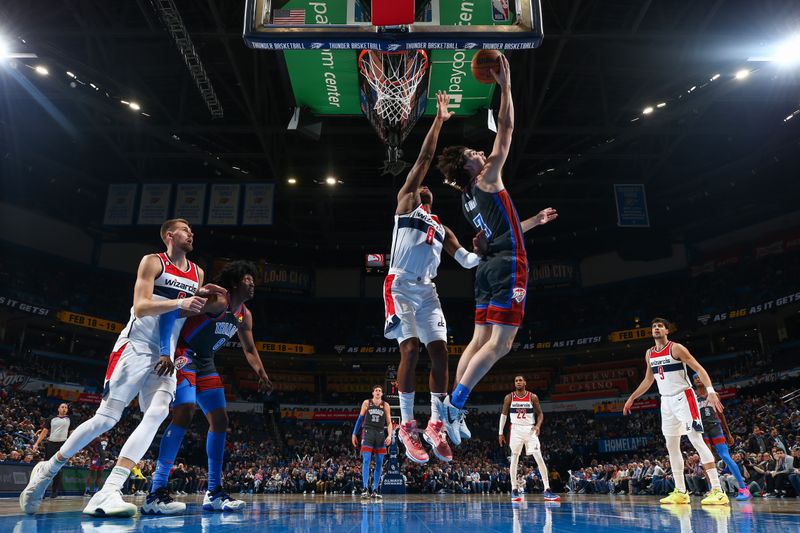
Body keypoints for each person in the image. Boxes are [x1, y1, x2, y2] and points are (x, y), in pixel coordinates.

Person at [20, 218, 223, 516]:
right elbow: (141, 306)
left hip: (164, 354)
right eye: (185, 229)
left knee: (156, 413)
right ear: (170, 235)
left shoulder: (198, 272)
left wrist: (214, 304)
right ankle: (47, 470)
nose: (191, 233)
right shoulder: (153, 262)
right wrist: (180, 303)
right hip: (136, 345)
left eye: (191, 230)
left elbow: (187, 312)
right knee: (106, 418)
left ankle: (110, 490)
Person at [435, 56, 558, 443]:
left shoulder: (467, 198)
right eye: (473, 153)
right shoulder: (487, 178)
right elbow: (506, 129)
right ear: (470, 168)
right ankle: (456, 404)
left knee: (477, 341)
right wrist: (504, 86)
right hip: (507, 267)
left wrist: (532, 223)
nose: (480, 152)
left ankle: (449, 411)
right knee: (501, 345)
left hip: (488, 268)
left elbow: (496, 234)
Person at [383, 91, 485, 463]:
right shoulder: (407, 203)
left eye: (428, 187)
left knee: (441, 353)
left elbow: (469, 261)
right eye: (421, 183)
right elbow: (425, 158)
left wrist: (483, 248)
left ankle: (436, 424)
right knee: (409, 349)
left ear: (434, 198)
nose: (424, 185)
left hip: (428, 292)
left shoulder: (442, 228)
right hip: (399, 286)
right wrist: (440, 120)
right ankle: (408, 426)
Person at [143, 260, 273, 515]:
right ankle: (156, 489)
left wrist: (262, 374)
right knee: (185, 410)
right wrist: (165, 351)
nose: (253, 284)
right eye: (248, 280)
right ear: (235, 283)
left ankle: (214, 491)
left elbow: (249, 348)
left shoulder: (244, 315)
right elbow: (172, 311)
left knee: (221, 420)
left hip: (205, 361)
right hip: (184, 353)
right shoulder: (218, 300)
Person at [623, 318, 729, 505]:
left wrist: (711, 390)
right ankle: (680, 491)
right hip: (666, 401)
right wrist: (632, 397)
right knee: (671, 446)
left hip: (684, 397)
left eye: (660, 326)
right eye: (653, 326)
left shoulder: (676, 348)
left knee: (696, 440)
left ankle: (718, 491)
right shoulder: (649, 353)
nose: (656, 328)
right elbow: (648, 380)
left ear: (667, 330)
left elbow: (698, 368)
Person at [498, 375, 559, 502]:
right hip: (515, 429)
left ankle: (547, 489)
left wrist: (537, 425)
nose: (518, 382)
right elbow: (503, 415)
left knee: (539, 457)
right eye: (516, 380)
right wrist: (500, 432)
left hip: (530, 429)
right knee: (514, 458)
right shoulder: (509, 397)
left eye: (520, 380)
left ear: (525, 382)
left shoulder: (533, 397)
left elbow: (541, 414)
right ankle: (514, 490)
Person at [692, 373, 751, 500]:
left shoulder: (714, 394)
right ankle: (712, 490)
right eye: (695, 377)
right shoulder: (692, 396)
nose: (697, 378)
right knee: (707, 459)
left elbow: (721, 415)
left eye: (699, 376)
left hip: (715, 427)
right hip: (702, 430)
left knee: (725, 456)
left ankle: (744, 489)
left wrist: (728, 433)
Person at [352, 386, 393, 499]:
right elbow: (360, 419)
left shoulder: (385, 405)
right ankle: (365, 488)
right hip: (368, 432)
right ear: (373, 393)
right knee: (366, 460)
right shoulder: (366, 402)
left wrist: (389, 435)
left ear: (382, 393)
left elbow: (389, 423)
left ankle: (375, 489)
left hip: (380, 434)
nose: (378, 392)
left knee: (379, 462)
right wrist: (354, 433)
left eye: (380, 390)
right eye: (376, 390)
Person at [31, 403, 70, 499]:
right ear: (58, 408)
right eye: (62, 407)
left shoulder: (70, 419)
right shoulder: (51, 418)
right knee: (46, 467)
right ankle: (42, 491)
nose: (64, 409)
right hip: (51, 444)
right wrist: (36, 443)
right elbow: (44, 431)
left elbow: (72, 433)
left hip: (63, 446)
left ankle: (54, 491)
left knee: (59, 469)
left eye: (66, 407)